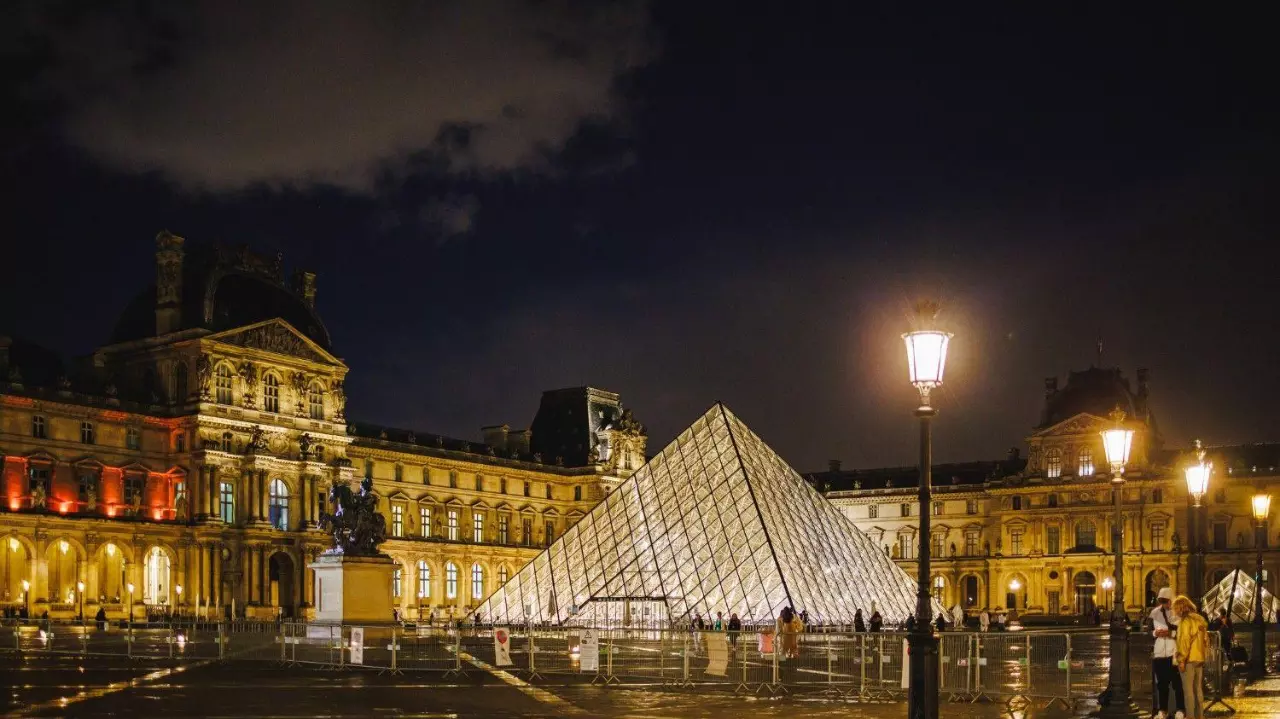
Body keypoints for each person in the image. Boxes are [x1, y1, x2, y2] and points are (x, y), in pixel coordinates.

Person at [1150, 587, 1186, 719]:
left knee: (1177, 683)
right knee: (1162, 684)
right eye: (1162, 601)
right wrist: (1156, 633)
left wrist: (1170, 633)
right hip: (1159, 652)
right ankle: (1162, 710)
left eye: (1166, 601)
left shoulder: (1178, 613)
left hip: (1173, 652)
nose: (1164, 604)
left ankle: (1181, 709)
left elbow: (1182, 632)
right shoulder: (1154, 613)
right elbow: (1149, 631)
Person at [1173, 595, 1208, 719]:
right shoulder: (1200, 619)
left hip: (1188, 660)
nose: (1174, 611)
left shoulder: (1185, 621)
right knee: (1198, 689)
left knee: (1188, 691)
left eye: (1175, 609)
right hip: (1199, 658)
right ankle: (1200, 716)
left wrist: (1181, 659)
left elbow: (1184, 641)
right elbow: (1205, 640)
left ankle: (1191, 716)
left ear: (1181, 608)